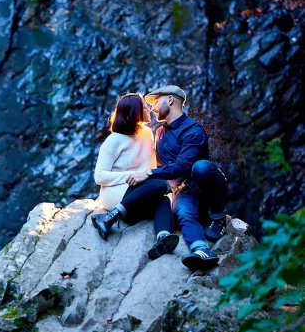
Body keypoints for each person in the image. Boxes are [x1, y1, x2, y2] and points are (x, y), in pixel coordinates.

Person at [126, 85, 228, 271]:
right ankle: (201, 250)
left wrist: (148, 173)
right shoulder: (160, 133)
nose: (152, 108)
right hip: (185, 191)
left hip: (206, 188)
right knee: (181, 210)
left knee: (201, 167)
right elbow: (159, 166)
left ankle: (219, 217)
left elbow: (182, 166)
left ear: (170, 100)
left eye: (156, 101)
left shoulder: (194, 130)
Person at [92, 93, 179, 260]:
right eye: (144, 107)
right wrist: (133, 175)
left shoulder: (146, 133)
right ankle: (109, 216)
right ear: (135, 112)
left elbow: (151, 166)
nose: (149, 109)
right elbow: (99, 176)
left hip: (140, 194)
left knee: (164, 200)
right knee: (161, 185)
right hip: (115, 193)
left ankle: (163, 238)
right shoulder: (114, 140)